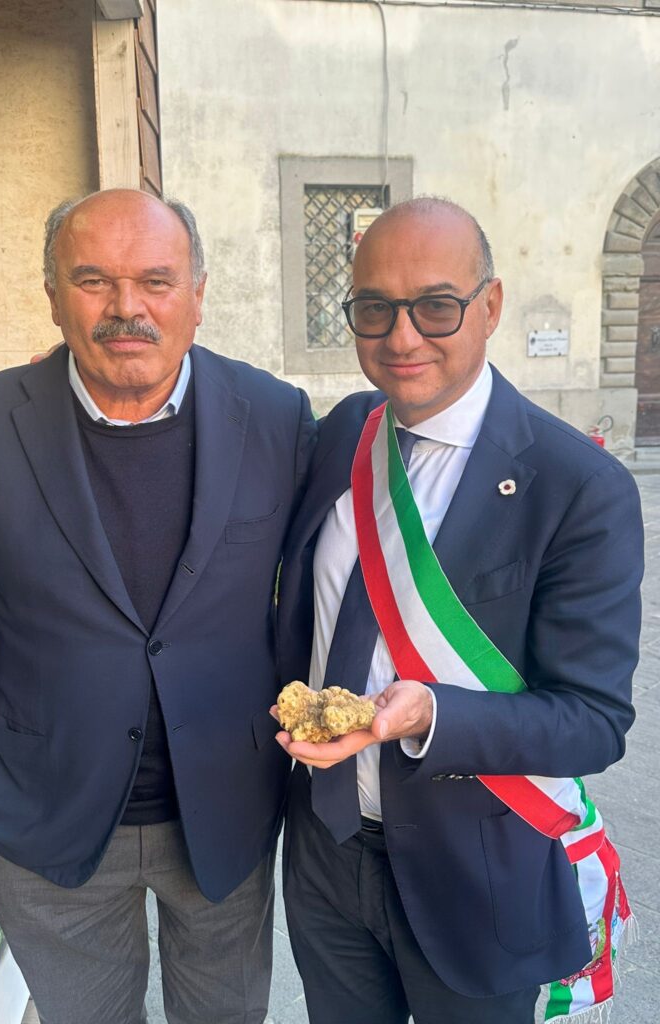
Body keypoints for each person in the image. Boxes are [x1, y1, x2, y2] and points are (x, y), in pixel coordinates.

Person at [0, 189, 316, 1024]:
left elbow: (305, 597)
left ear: (199, 292)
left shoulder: (275, 417)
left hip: (226, 815)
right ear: (52, 293)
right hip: (45, 818)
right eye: (94, 280)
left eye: (157, 280)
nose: (128, 308)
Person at [275, 197, 643, 1024]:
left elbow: (592, 721)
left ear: (490, 307)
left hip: (476, 866)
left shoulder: (578, 488)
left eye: (436, 306)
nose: (402, 337)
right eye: (375, 308)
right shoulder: (344, 432)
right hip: (326, 850)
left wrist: (431, 713)